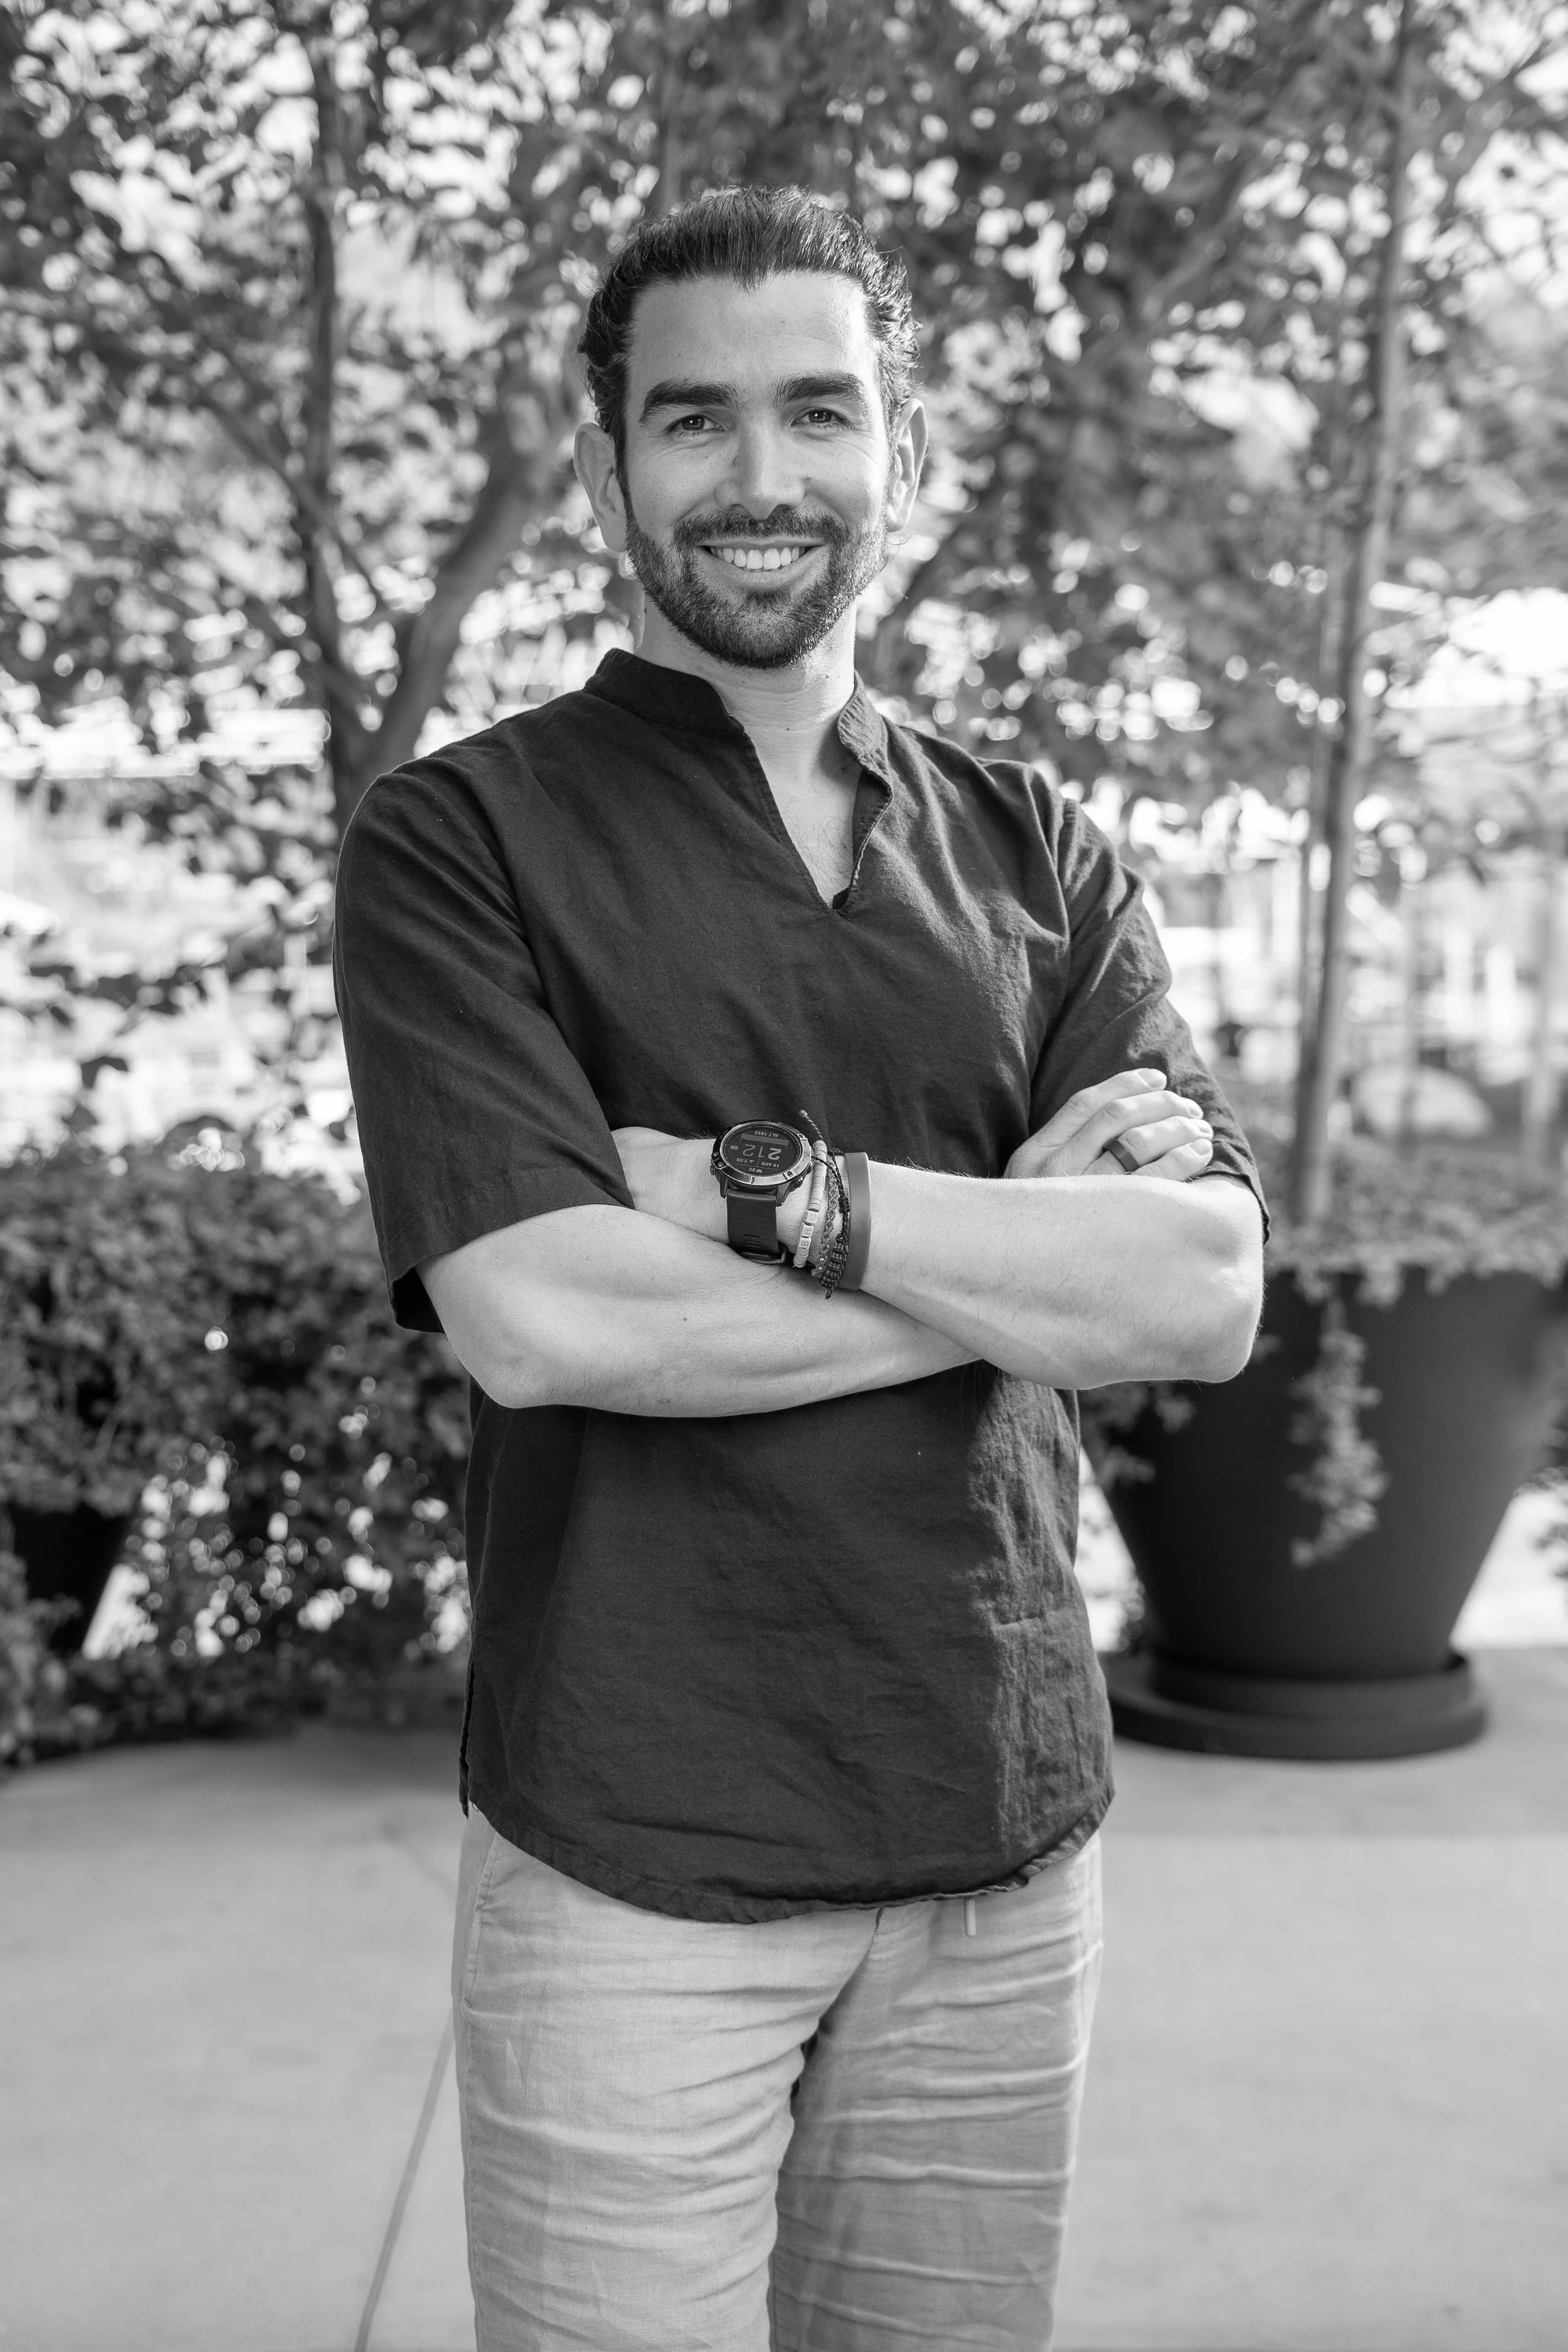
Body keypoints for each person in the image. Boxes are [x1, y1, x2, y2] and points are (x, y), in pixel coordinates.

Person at [334, 184, 1265, 2352]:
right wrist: (1010, 1245)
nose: (762, 479)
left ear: (898, 458)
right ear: (604, 469)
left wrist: (773, 1195)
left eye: (818, 413)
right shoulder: (461, 840)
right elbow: (542, 1314)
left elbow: (1197, 1294)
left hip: (999, 1839)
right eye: (693, 420)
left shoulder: (1036, 844)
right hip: (629, 1853)